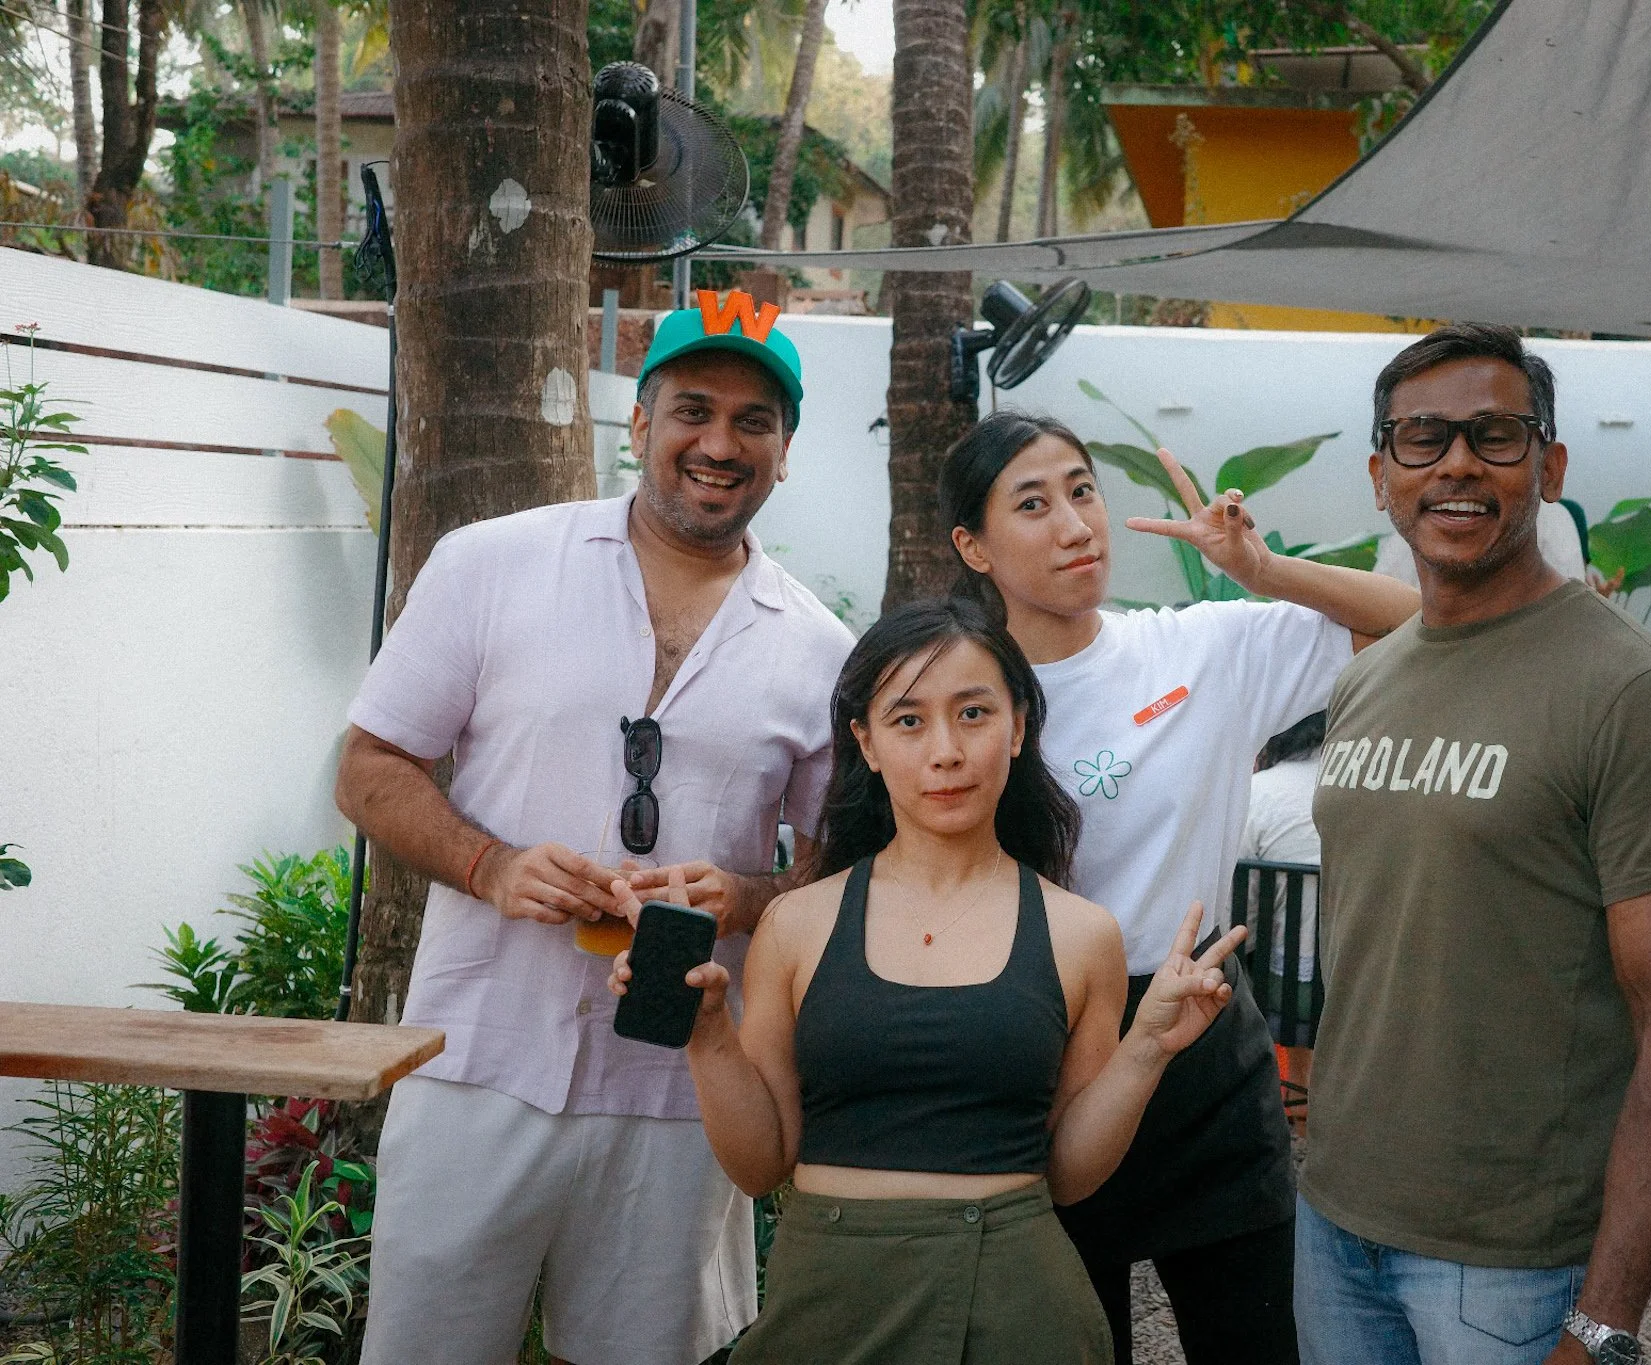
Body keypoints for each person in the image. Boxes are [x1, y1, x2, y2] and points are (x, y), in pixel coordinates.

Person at [334, 291, 854, 1365]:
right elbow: (369, 767)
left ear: (785, 453)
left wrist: (747, 898)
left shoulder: (818, 649)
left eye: (754, 422)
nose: (718, 444)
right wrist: (490, 864)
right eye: (692, 410)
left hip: (681, 1087)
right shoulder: (492, 564)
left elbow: (841, 867)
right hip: (478, 1052)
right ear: (639, 425)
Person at [605, 597, 1248, 1364]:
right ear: (866, 744)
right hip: (830, 1300)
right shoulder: (798, 924)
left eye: (973, 713)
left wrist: (1148, 1048)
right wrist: (706, 1030)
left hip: (1019, 1302)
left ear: (1016, 728)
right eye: (909, 721)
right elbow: (761, 1162)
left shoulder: (1081, 934)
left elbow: (1070, 1177)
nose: (945, 750)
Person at [1300, 323, 1651, 1365]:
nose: (1456, 462)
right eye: (1422, 438)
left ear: (1546, 467)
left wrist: (1602, 1325)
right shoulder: (1367, 678)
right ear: (1380, 476)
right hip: (1332, 1225)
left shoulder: (1633, 698)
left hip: (1507, 1264)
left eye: (1493, 435)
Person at [942, 411, 1422, 1365]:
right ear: (974, 545)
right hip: (1038, 1044)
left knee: (1258, 1338)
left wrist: (1267, 571)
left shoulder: (1197, 649)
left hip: (1202, 1034)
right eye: (1032, 504)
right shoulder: (956, 692)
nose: (1075, 523)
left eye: (1083, 491)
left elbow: (1422, 618)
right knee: (1076, 1343)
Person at [1240, 710, 1326, 1111]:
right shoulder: (1368, 791)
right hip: (1366, 985)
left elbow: (1244, 920)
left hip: (1288, 993)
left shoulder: (1258, 794)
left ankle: (1294, 1102)